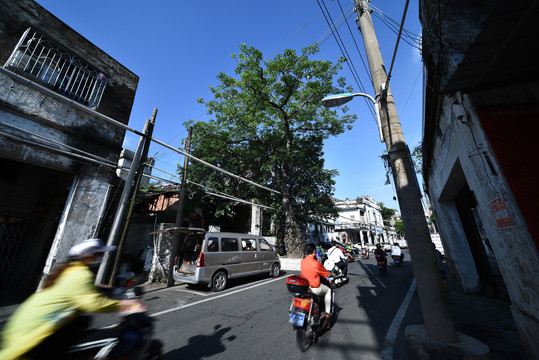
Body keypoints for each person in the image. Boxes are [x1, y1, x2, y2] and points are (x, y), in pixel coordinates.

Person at [0, 239, 144, 360]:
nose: (100, 257)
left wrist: (103, 289)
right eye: (99, 254)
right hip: (36, 340)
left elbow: (79, 291)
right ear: (88, 256)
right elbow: (94, 303)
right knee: (116, 336)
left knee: (82, 321)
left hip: (19, 334)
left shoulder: (67, 272)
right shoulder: (81, 275)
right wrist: (127, 305)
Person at [300, 243, 334, 320]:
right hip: (314, 288)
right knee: (328, 290)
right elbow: (326, 274)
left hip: (305, 288)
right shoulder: (316, 263)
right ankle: (327, 313)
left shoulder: (302, 261)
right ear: (314, 251)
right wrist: (333, 274)